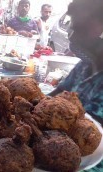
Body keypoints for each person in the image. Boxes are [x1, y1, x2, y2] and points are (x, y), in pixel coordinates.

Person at [48, 0, 103, 171]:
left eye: (79, 27)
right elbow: (57, 93)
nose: (72, 34)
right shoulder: (84, 66)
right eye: (72, 25)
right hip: (54, 155)